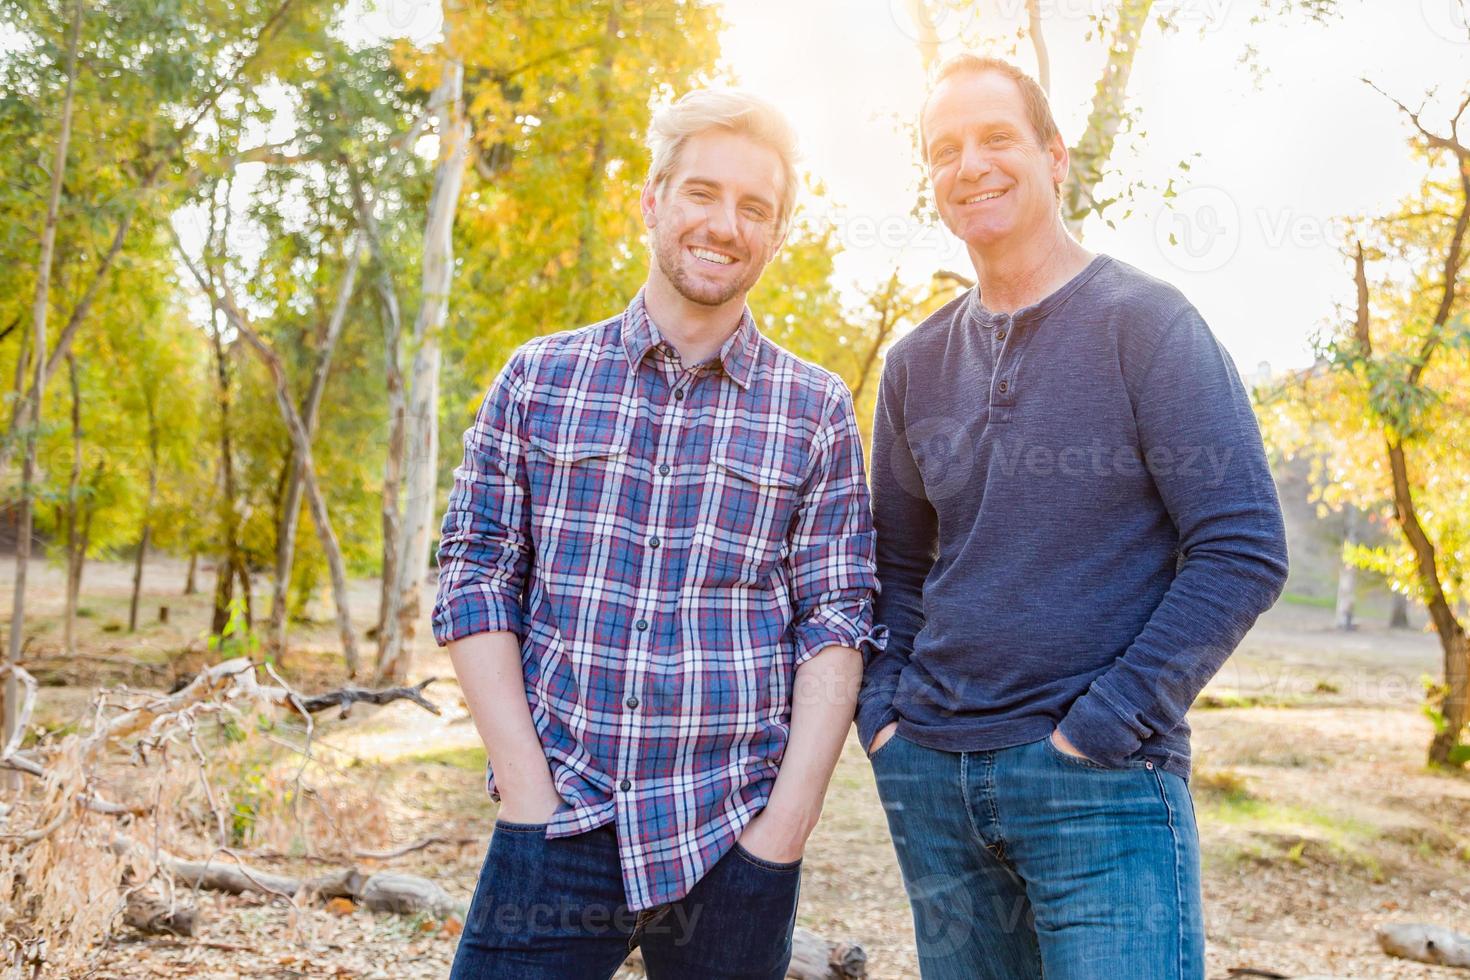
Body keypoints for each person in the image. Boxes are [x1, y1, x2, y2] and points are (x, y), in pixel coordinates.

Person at [433, 88, 882, 980]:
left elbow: (837, 619)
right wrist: (527, 790)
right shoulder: (541, 377)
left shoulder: (816, 409)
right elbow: (475, 572)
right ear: (652, 199)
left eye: (755, 207)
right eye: (702, 193)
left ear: (779, 232)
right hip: (560, 815)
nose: (725, 224)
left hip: (734, 831)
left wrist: (783, 829)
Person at [856, 54, 1289, 979]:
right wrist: (885, 723)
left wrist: (1106, 723)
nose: (970, 164)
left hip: (1102, 789)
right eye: (945, 150)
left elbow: (1243, 547)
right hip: (933, 781)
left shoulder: (1149, 324)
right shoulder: (914, 362)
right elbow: (892, 567)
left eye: (997, 138)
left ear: (1055, 156)